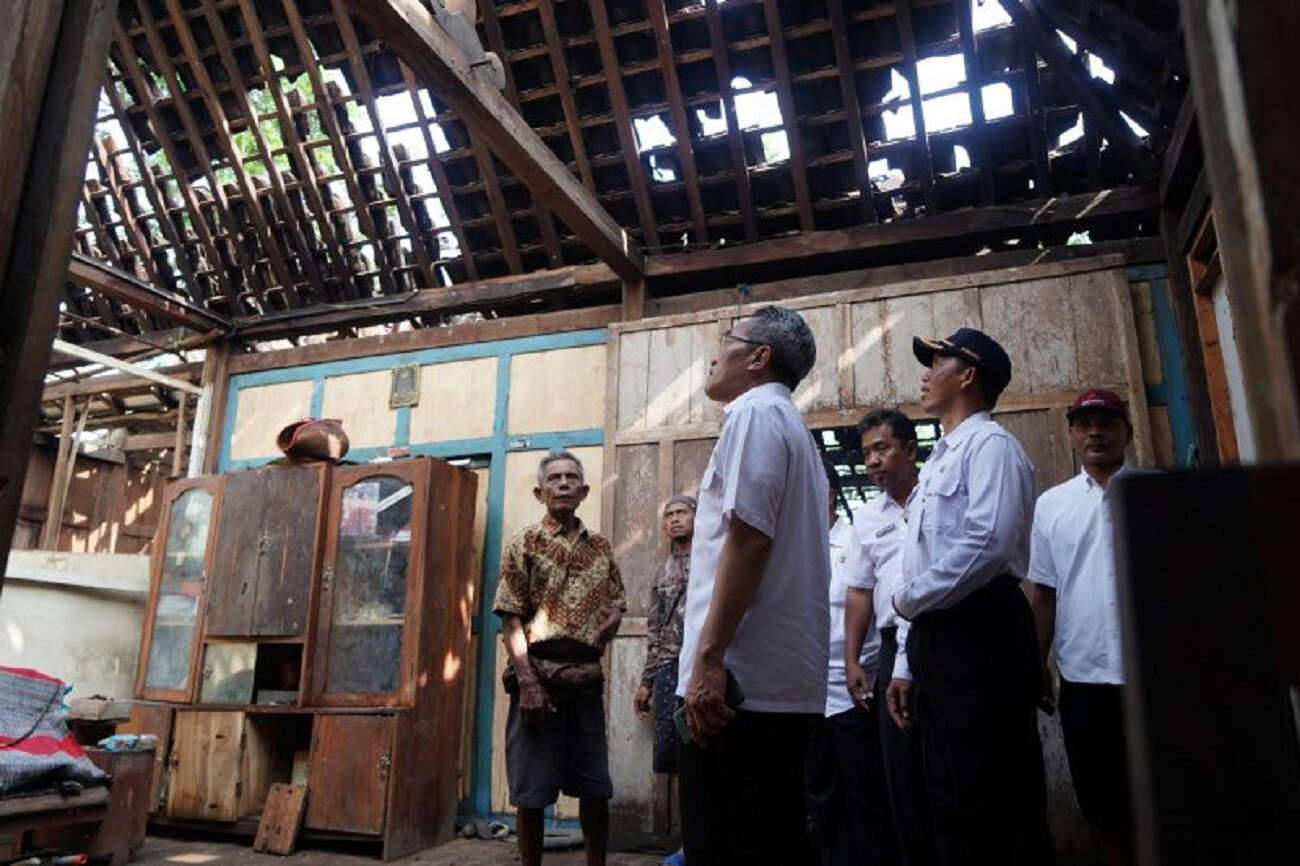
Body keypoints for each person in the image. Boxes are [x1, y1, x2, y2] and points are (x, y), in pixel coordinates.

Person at [884, 327, 1055, 865]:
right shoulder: (939, 461)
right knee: (951, 793)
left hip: (982, 631)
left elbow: (989, 540)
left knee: (996, 793)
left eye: (937, 361)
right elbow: (923, 562)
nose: (926, 373)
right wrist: (908, 662)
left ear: (968, 374)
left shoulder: (992, 446)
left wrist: (909, 601)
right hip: (942, 633)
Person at [676, 305, 830, 865]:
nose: (715, 355)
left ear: (759, 358)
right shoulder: (790, 427)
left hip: (742, 690)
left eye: (726, 341)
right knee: (773, 841)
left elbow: (748, 537)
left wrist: (710, 658)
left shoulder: (756, 414)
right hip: (772, 686)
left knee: (726, 844)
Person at [492, 450, 626, 866]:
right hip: (538, 678)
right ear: (540, 491)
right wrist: (528, 682)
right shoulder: (524, 544)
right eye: (555, 478)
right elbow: (510, 617)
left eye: (572, 478)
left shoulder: (601, 547)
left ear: (584, 491)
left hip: (585, 679)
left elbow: (617, 599)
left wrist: (615, 616)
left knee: (595, 787)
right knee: (531, 791)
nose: (564, 483)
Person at [1028, 389, 1137, 866]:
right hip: (1085, 681)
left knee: (1167, 795)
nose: (1096, 431)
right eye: (1084, 423)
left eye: (1107, 422)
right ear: (1071, 435)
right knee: (1104, 804)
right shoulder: (1051, 507)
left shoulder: (1155, 490)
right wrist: (1037, 665)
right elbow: (1045, 593)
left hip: (1153, 679)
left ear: (1127, 433)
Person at [843, 409, 937, 866]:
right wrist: (852, 660)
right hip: (887, 645)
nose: (873, 461)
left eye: (882, 448)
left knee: (946, 763)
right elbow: (859, 592)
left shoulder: (938, 497)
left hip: (941, 636)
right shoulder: (866, 519)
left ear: (911, 449)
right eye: (866, 454)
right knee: (900, 768)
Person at [806, 466, 898, 866]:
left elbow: (873, 610)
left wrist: (867, 672)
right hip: (808, 693)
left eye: (819, 485)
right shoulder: (793, 548)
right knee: (821, 792)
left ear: (832, 492)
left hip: (856, 689)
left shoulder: (857, 537)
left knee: (867, 791)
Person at [634, 494, 695, 866]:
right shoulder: (661, 572)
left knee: (705, 755)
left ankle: (707, 841)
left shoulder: (714, 560)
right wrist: (647, 681)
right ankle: (685, 845)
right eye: (669, 515)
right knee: (673, 761)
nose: (675, 520)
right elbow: (654, 632)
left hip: (705, 670)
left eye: (682, 513)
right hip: (670, 670)